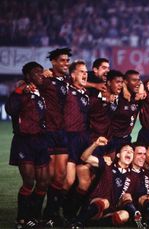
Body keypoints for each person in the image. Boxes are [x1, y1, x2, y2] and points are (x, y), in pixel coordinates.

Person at [6, 62, 49, 228]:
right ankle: (21, 219)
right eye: (36, 72)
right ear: (28, 76)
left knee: (44, 182)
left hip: (41, 141)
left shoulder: (41, 92)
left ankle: (35, 217)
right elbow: (10, 109)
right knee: (29, 182)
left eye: (41, 72)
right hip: (24, 142)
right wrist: (19, 91)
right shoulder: (20, 92)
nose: (40, 75)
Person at [70, 137, 133, 228]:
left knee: (125, 215)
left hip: (110, 211)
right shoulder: (108, 165)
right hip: (95, 204)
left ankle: (92, 224)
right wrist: (95, 144)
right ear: (118, 155)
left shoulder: (132, 175)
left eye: (131, 151)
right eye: (126, 150)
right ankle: (78, 222)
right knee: (105, 202)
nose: (129, 152)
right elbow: (84, 158)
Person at [40, 48, 72, 226]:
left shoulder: (67, 80)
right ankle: (37, 215)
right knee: (48, 177)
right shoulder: (45, 79)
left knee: (60, 176)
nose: (66, 63)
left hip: (63, 132)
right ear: (53, 62)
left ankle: (52, 214)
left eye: (67, 60)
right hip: (48, 132)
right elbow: (26, 82)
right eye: (62, 60)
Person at [61, 60, 90, 221]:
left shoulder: (85, 92)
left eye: (86, 72)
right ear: (72, 75)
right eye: (81, 71)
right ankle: (54, 212)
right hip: (70, 139)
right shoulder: (66, 90)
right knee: (69, 180)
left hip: (83, 140)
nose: (85, 74)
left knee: (84, 181)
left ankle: (70, 213)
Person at [119, 143, 149, 228]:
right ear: (132, 155)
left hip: (144, 205)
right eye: (139, 154)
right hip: (125, 207)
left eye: (144, 154)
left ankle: (148, 215)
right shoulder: (124, 172)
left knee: (145, 199)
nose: (143, 157)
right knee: (127, 196)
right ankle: (138, 217)